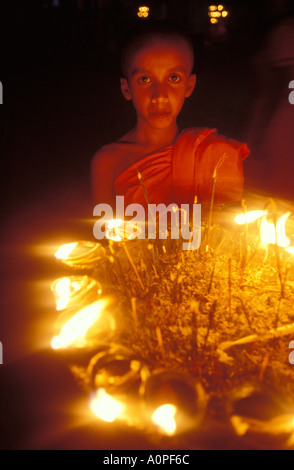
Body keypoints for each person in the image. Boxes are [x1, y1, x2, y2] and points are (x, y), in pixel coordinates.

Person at [91, 23, 249, 211]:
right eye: (144, 79)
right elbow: (107, 236)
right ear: (126, 88)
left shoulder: (214, 154)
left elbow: (231, 233)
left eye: (173, 78)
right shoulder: (108, 162)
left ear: (189, 86)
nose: (160, 95)